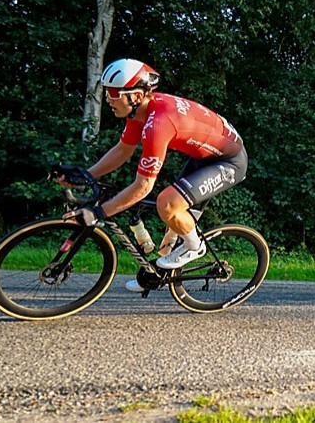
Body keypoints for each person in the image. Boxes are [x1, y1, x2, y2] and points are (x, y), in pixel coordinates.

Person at [58, 59, 247, 292]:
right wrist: (86, 174)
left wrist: (98, 212)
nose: (108, 98)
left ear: (136, 95)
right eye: (107, 91)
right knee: (171, 226)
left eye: (114, 92)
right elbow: (122, 150)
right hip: (204, 155)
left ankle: (195, 247)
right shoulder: (140, 113)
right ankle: (158, 274)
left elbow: (143, 186)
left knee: (167, 203)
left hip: (229, 161)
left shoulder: (158, 123)